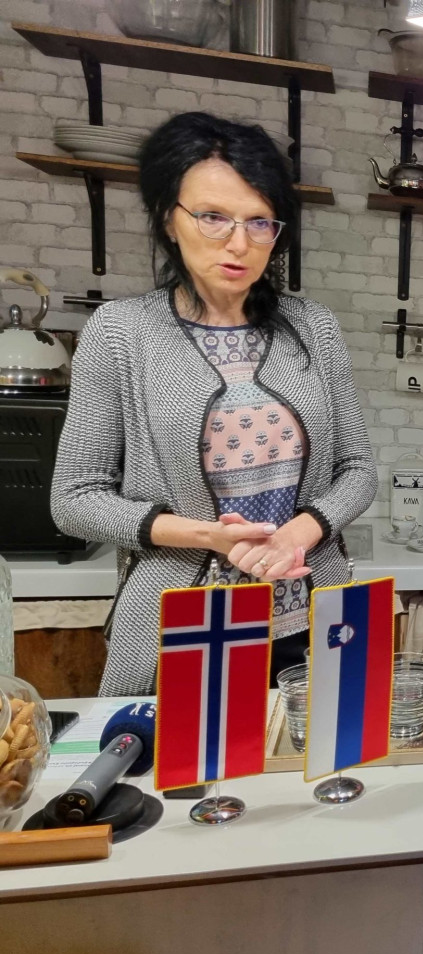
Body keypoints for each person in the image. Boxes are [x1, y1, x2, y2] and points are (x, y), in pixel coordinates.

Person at [52, 112, 377, 696]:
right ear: (167, 219)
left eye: (260, 222)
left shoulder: (314, 328)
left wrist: (295, 535)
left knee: (318, 773)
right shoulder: (122, 332)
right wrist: (211, 537)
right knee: (181, 781)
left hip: (312, 617)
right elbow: (74, 501)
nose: (238, 243)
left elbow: (358, 471)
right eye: (213, 217)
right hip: (182, 626)